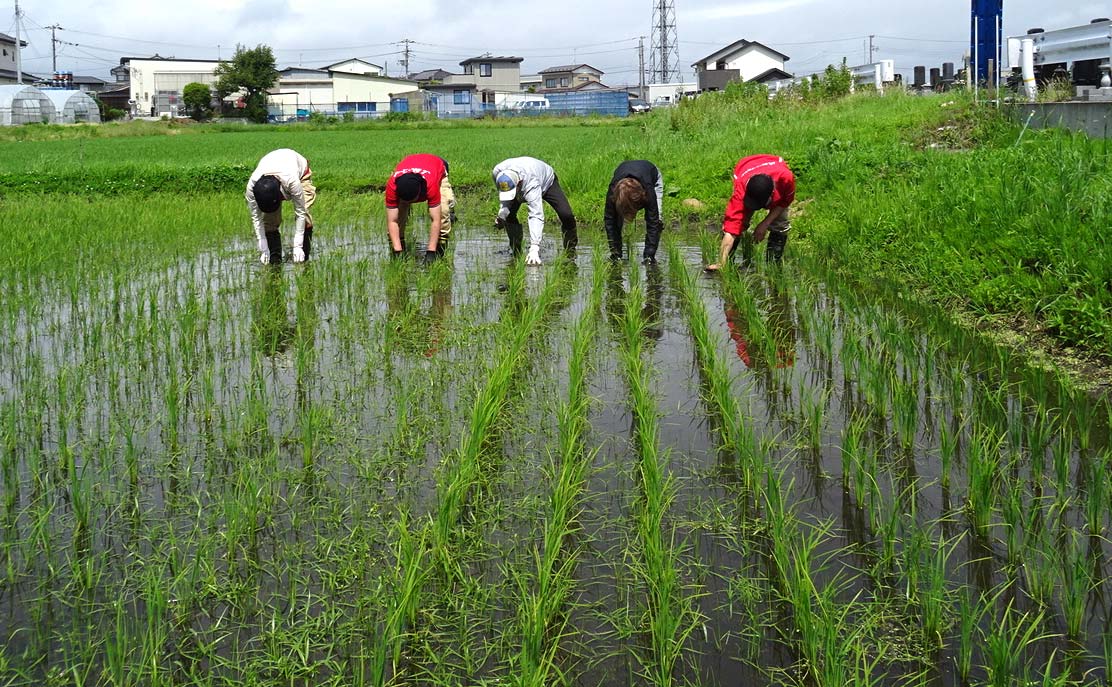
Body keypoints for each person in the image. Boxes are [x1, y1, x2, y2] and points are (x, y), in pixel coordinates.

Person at [705, 154, 795, 270]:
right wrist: (721, 262)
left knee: (780, 224)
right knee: (740, 222)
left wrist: (765, 224)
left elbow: (784, 202)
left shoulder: (785, 179)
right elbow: (731, 228)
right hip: (746, 167)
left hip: (773, 167)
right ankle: (728, 262)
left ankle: (773, 267)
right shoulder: (741, 192)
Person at [492, 156, 577, 266]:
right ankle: (516, 252)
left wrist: (534, 248)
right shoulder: (497, 172)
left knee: (566, 215)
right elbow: (505, 195)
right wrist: (502, 214)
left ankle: (570, 253)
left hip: (547, 182)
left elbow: (535, 215)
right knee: (509, 216)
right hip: (522, 182)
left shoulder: (531, 182)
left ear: (519, 184)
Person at [245, 148, 316, 264]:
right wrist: (263, 246)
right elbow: (256, 218)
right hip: (274, 169)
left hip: (299, 173)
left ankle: (303, 259)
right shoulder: (252, 188)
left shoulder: (292, 181)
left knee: (305, 216)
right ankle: (274, 262)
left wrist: (297, 246)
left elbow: (300, 212)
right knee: (268, 222)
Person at [385, 154, 456, 264]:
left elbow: (436, 220)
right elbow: (392, 221)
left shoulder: (431, 185)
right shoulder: (392, 186)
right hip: (411, 164)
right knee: (399, 214)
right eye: (406, 201)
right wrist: (397, 251)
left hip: (436, 168)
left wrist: (431, 252)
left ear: (420, 193)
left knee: (443, 212)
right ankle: (398, 249)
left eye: (411, 201)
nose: (410, 203)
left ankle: (440, 251)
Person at [604, 160, 665, 264]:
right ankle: (617, 254)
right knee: (614, 219)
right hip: (623, 170)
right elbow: (609, 220)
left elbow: (652, 222)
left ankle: (649, 255)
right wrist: (615, 254)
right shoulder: (613, 191)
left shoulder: (648, 191)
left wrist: (649, 257)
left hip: (652, 176)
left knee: (657, 220)